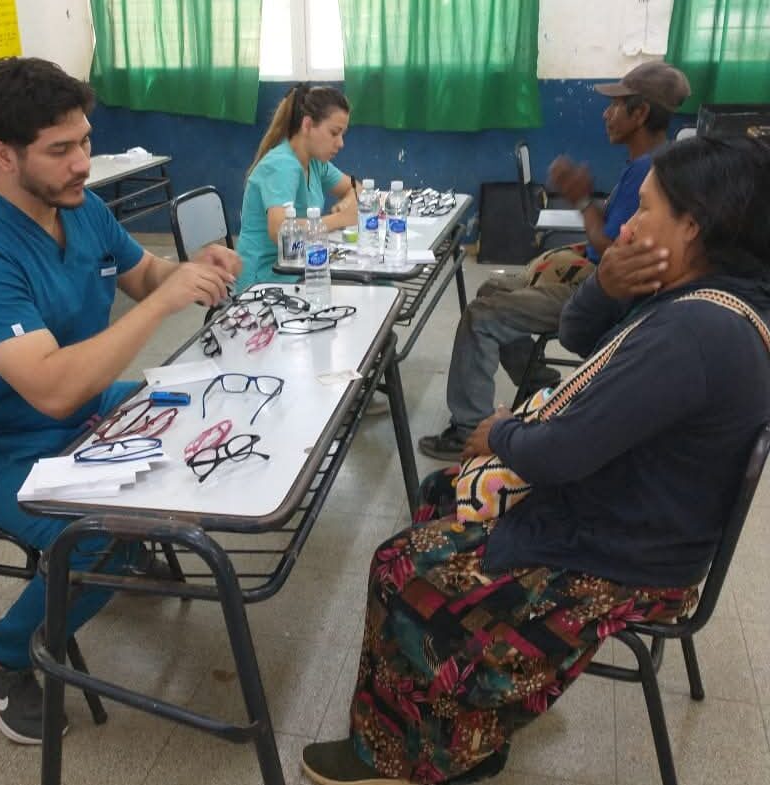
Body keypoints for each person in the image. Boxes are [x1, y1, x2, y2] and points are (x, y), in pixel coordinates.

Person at [300, 135, 770, 784]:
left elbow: (562, 453)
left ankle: (389, 750)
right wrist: (604, 284)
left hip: (627, 557)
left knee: (397, 566)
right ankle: (468, 718)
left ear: (691, 228)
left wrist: (499, 432)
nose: (627, 222)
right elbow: (581, 340)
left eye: (647, 210)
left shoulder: (695, 330)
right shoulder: (702, 296)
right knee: (442, 492)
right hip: (646, 516)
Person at [0, 57, 240, 744]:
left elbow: (143, 273)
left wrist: (190, 268)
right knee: (100, 545)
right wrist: (162, 301)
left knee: (210, 405)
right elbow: (52, 387)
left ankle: (128, 547)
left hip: (88, 411)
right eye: (61, 149)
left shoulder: (83, 206)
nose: (81, 162)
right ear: (3, 156)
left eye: (86, 141)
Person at [419, 62, 691, 461]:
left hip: (603, 292)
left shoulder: (648, 170)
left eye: (616, 105)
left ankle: (467, 430)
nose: (605, 112)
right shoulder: (648, 162)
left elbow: (615, 251)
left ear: (641, 114)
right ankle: (538, 384)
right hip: (597, 276)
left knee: (482, 315)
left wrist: (581, 198)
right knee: (491, 289)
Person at [236, 83, 358, 290]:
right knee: (361, 289)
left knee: (373, 281)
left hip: (298, 263)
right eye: (334, 133)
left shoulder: (315, 161)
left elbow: (356, 188)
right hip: (266, 278)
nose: (340, 143)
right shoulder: (282, 165)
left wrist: (347, 201)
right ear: (308, 125)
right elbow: (279, 230)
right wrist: (340, 218)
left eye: (342, 134)